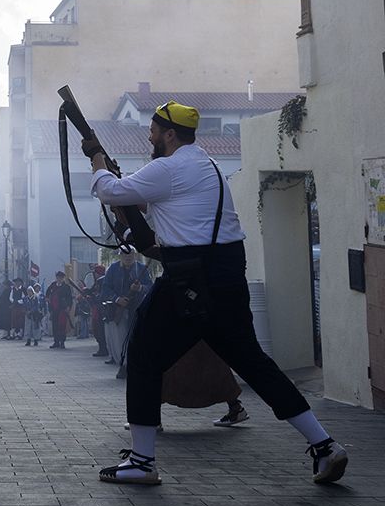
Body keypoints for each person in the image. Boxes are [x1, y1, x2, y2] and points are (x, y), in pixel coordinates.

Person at [87, 100, 347, 485]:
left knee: (141, 355)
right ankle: (323, 444)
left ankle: (142, 461)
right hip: (225, 274)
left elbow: (110, 192)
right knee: (254, 363)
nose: (150, 136)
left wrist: (96, 160)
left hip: (189, 278)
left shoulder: (169, 168)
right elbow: (154, 205)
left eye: (155, 130)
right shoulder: (205, 165)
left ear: (170, 134)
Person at [100, 248, 152, 379]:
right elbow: (105, 288)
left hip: (137, 309)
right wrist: (118, 299)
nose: (128, 257)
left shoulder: (141, 268)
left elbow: (150, 287)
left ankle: (134, 366)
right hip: (119, 310)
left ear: (135, 255)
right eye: (125, 254)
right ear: (121, 255)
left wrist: (139, 288)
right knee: (120, 339)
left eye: (131, 254)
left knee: (136, 338)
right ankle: (123, 365)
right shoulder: (113, 269)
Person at [46, 270, 74, 349]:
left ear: (63, 278)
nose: (59, 279)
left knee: (62, 326)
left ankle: (62, 342)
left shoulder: (66, 287)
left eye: (61, 278)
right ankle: (56, 341)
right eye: (58, 277)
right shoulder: (53, 285)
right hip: (54, 309)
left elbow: (69, 298)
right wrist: (47, 299)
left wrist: (68, 307)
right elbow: (47, 293)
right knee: (55, 325)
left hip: (62, 309)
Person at [23, 281, 44, 346]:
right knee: (28, 328)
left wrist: (31, 311)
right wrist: (26, 311)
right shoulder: (25, 299)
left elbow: (36, 306)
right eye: (28, 291)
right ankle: (28, 340)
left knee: (35, 328)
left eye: (30, 291)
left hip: (34, 315)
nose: (29, 293)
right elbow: (24, 306)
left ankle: (36, 340)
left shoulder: (35, 298)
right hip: (28, 315)